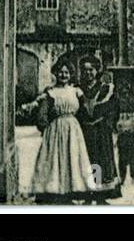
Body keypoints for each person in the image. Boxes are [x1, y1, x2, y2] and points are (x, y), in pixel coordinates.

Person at [27, 64, 96, 204]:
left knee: (73, 158)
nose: (63, 75)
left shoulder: (76, 91)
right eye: (60, 72)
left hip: (73, 129)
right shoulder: (50, 92)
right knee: (55, 159)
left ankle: (72, 190)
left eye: (66, 72)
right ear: (55, 73)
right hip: (56, 128)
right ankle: (54, 191)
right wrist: (46, 128)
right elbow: (42, 113)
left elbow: (86, 110)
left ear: (70, 74)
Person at [76, 55, 121, 203]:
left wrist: (107, 124)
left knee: (102, 161)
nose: (88, 73)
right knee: (87, 161)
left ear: (97, 71)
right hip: (84, 131)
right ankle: (88, 195)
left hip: (101, 132)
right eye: (85, 70)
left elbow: (114, 109)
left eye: (91, 70)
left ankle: (101, 196)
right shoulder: (77, 90)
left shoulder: (105, 89)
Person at [116, 119, 134, 186]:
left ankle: (130, 178)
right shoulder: (127, 136)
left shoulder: (125, 136)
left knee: (128, 167)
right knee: (126, 167)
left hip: (127, 154)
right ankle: (125, 179)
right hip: (128, 154)